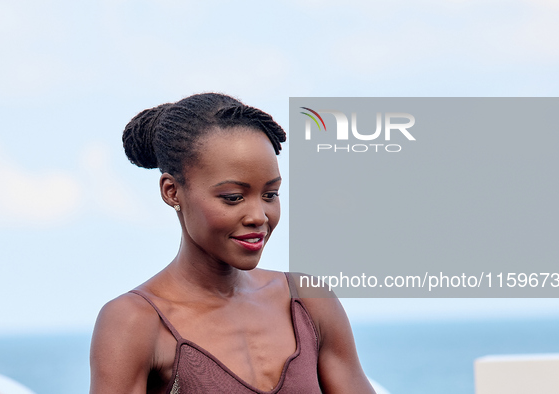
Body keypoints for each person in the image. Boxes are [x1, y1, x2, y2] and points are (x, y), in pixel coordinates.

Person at [89, 93, 375, 394]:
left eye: (270, 194)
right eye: (233, 198)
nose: (258, 216)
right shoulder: (136, 322)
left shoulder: (309, 303)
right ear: (172, 192)